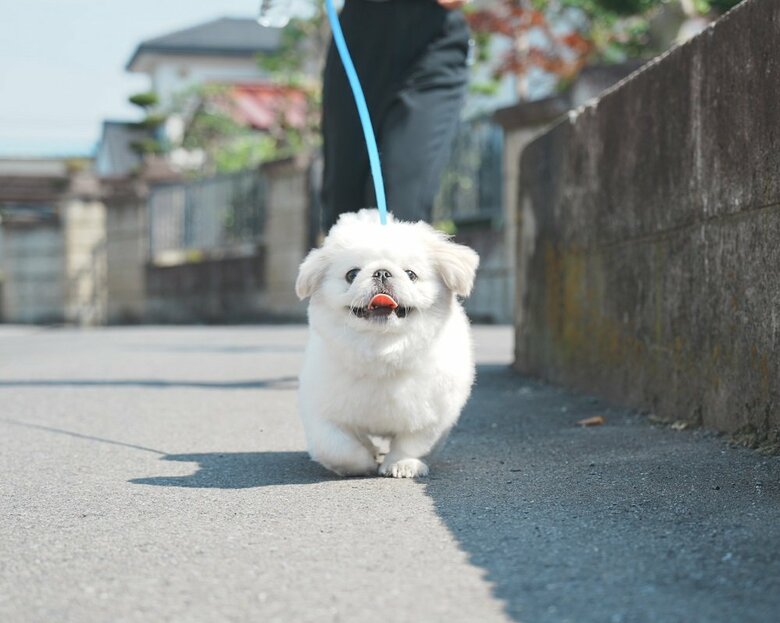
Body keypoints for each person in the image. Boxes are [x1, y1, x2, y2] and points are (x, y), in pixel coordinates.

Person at [320, 0, 470, 231]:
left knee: (401, 204)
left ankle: (401, 266)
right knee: (345, 207)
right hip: (359, 39)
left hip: (432, 44)